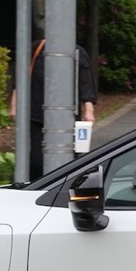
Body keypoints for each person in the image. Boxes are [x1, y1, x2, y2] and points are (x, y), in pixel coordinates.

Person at [9, 9, 97, 176]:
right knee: (37, 160)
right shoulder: (36, 49)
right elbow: (20, 79)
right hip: (36, 115)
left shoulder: (77, 53)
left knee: (69, 158)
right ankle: (36, 185)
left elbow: (86, 83)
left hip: (68, 116)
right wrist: (15, 104)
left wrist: (89, 109)